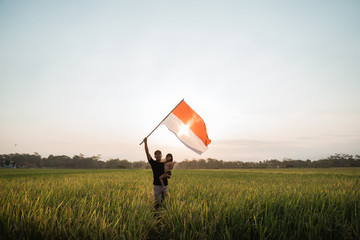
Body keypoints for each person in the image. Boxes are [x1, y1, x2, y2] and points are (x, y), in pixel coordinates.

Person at [143, 137, 167, 210]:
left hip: (165, 184)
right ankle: (156, 215)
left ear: (161, 155)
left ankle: (163, 215)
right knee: (157, 202)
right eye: (156, 154)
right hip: (156, 185)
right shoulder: (153, 163)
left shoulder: (165, 163)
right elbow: (147, 152)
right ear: (154, 156)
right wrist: (145, 142)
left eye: (159, 154)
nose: (158, 155)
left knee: (164, 201)